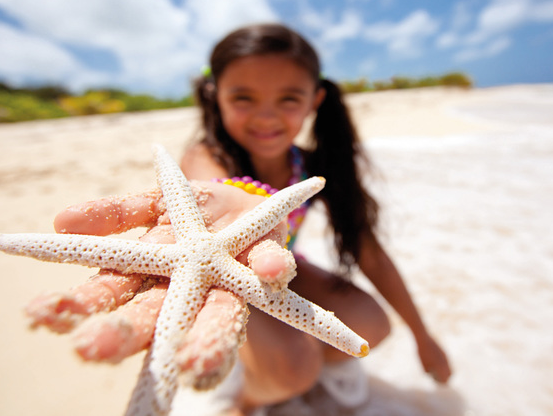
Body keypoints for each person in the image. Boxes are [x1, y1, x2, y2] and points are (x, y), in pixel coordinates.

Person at [28, 24, 452, 414]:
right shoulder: (205, 158)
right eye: (243, 97)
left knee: (371, 323)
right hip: (221, 280)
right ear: (216, 95)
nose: (266, 116)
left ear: (315, 100)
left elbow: (369, 253)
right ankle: (247, 399)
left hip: (275, 265)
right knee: (293, 369)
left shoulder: (314, 165)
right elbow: (213, 193)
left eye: (288, 98)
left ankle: (282, 366)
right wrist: (232, 208)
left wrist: (423, 335)